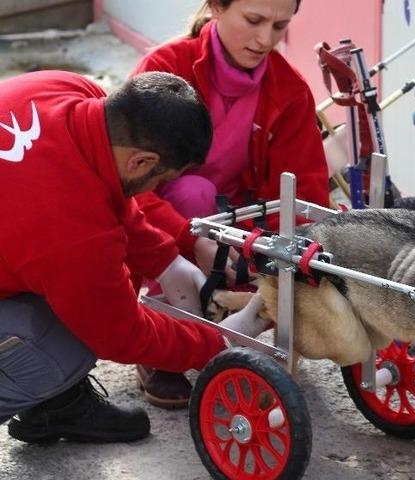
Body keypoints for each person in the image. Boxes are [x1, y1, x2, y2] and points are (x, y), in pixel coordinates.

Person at [0, 70, 266, 443]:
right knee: (72, 341)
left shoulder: (70, 91)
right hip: (48, 235)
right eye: (161, 179)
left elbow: (108, 190)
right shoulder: (72, 231)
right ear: (141, 162)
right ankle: (49, 398)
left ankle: (58, 405)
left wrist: (165, 259)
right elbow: (120, 334)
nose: (157, 187)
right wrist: (219, 342)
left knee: (75, 296)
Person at [130, 0, 329, 408]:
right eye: (253, 20)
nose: (265, 39)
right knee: (193, 192)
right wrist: (191, 238)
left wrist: (267, 254)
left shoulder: (290, 91)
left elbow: (302, 195)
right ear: (216, 7)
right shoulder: (165, 70)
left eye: (280, 26)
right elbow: (129, 186)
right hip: (172, 223)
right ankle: (161, 333)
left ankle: (227, 324)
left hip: (239, 228)